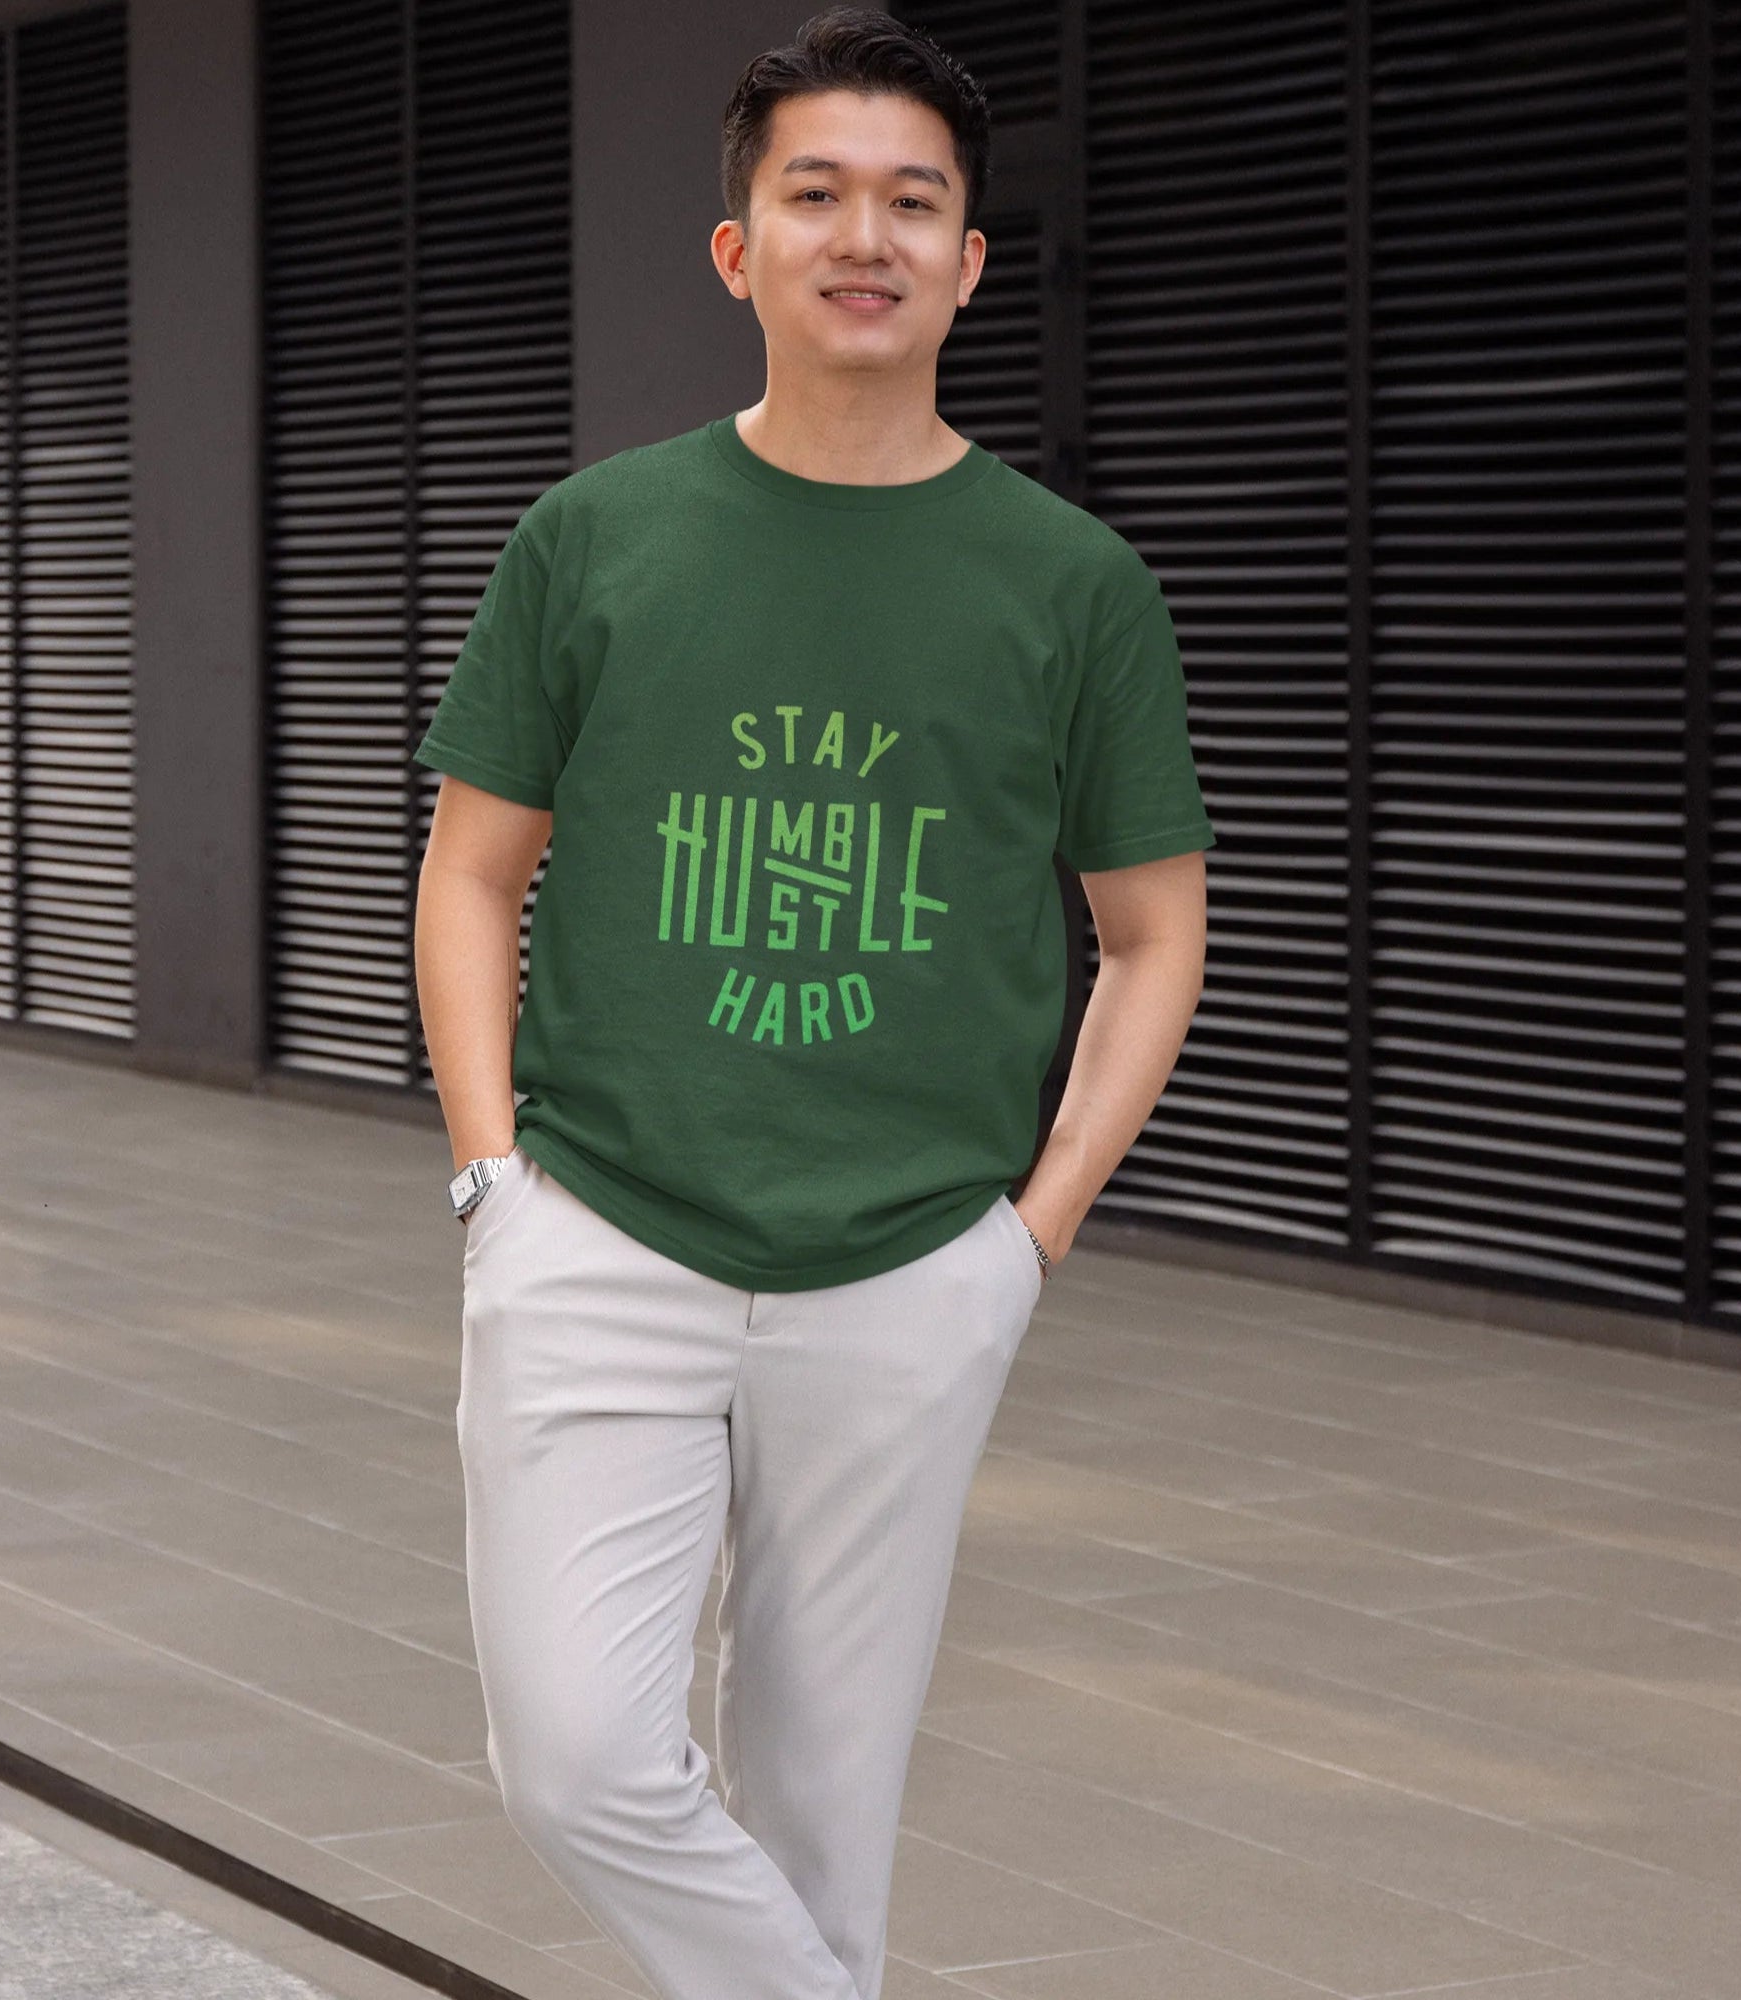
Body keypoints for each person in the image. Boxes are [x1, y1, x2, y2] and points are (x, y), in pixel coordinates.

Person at [409, 10, 1213, 1997]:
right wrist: (494, 1179)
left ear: (970, 261)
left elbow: (1152, 932)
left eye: (912, 203)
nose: (865, 237)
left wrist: (1027, 1240)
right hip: (602, 1227)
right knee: (579, 1760)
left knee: (824, 1814)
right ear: (736, 246)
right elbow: (470, 872)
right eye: (817, 193)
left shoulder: (1071, 582)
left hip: (912, 1262)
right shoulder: (593, 537)